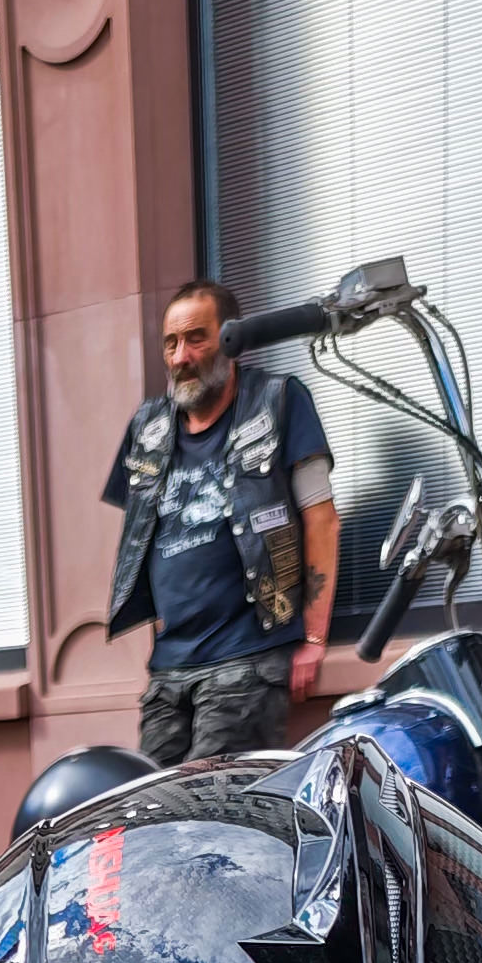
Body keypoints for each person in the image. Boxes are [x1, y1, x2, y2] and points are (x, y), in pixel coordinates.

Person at [101, 279, 338, 766]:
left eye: (196, 339)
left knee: (208, 806)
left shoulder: (279, 401)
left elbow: (322, 521)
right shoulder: (147, 428)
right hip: (169, 669)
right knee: (147, 805)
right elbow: (142, 540)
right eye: (171, 343)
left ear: (231, 340)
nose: (181, 357)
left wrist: (314, 639)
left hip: (246, 660)